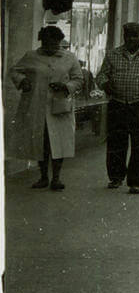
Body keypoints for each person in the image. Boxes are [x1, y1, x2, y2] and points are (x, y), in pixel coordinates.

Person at [6, 26, 84, 190]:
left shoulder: (69, 57)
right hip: (36, 105)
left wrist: (65, 86)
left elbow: (78, 79)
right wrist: (22, 81)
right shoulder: (31, 56)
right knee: (42, 141)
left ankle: (56, 178)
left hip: (60, 105)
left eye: (55, 43)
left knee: (59, 141)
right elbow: (14, 71)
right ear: (42, 42)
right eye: (48, 43)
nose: (52, 46)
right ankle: (43, 177)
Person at [95, 22, 139, 194]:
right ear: (124, 36)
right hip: (118, 103)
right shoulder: (113, 55)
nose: (131, 39)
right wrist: (106, 85)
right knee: (116, 142)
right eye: (128, 36)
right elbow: (101, 75)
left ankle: (135, 182)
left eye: (135, 36)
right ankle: (115, 177)